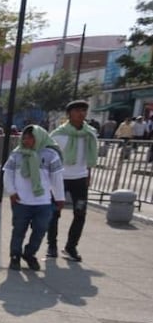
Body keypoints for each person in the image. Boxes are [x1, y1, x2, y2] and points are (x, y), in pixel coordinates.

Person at [3, 125, 65, 271]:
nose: (26, 140)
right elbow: (8, 174)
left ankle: (30, 253)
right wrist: (11, 192)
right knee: (18, 230)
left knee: (41, 229)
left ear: (40, 137)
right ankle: (15, 255)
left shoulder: (50, 155)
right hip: (21, 201)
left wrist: (59, 198)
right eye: (24, 137)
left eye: (31, 137)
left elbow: (56, 178)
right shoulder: (17, 154)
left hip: (43, 202)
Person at [47, 100, 98, 261]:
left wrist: (88, 174)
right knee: (54, 213)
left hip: (80, 179)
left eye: (84, 110)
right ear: (69, 114)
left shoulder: (89, 133)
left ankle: (71, 247)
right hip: (60, 179)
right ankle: (52, 246)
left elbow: (90, 155)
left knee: (80, 213)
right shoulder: (58, 135)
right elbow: (49, 158)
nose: (81, 114)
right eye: (77, 110)